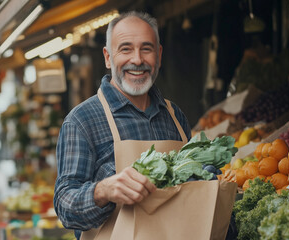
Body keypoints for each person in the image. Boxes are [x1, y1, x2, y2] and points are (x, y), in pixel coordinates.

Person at [54, 11, 192, 240]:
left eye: (146, 48)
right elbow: (65, 207)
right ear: (108, 57)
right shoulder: (82, 121)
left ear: (158, 55)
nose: (137, 60)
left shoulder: (175, 116)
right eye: (126, 49)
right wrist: (103, 191)